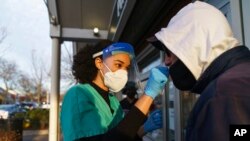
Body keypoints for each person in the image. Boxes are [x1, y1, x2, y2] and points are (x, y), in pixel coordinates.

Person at [148, 1, 250, 141]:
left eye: (169, 51)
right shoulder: (239, 78)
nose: (166, 61)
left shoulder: (222, 95)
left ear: (192, 42)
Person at [60, 40, 168, 141]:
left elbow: (123, 136)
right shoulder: (78, 94)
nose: (124, 72)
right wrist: (148, 95)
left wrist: (143, 129)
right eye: (118, 65)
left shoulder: (114, 101)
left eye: (127, 68)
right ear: (99, 63)